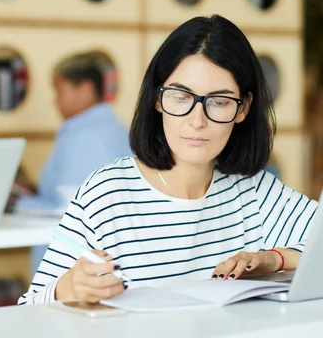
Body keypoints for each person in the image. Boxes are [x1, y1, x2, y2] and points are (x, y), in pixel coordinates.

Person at [18, 15, 318, 305]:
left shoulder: (254, 191)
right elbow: (28, 310)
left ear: (243, 109)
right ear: (158, 99)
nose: (197, 120)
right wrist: (69, 286)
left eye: (219, 101)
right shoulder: (108, 193)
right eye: (181, 97)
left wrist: (274, 259)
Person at [12, 53, 133, 273]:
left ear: (85, 90)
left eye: (59, 91)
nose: (54, 101)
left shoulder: (86, 136)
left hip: (77, 271)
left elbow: (70, 209)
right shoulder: (113, 129)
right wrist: (36, 194)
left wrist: (19, 204)